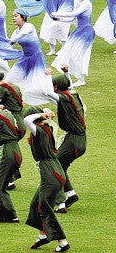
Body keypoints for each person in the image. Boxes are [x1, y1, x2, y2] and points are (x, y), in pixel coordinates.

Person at [23, 105, 71, 253]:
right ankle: (42, 235)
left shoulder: (39, 130)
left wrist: (42, 115)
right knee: (35, 203)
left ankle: (62, 241)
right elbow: (40, 112)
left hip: (50, 173)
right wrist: (46, 113)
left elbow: (26, 119)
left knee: (44, 206)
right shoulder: (47, 128)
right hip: (53, 170)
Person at [52, 73, 86, 213]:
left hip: (73, 141)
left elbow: (46, 93)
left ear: (55, 87)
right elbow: (69, 86)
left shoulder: (65, 98)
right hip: (80, 140)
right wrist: (66, 73)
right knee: (61, 166)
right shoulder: (74, 95)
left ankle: (60, 204)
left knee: (55, 168)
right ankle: (70, 194)